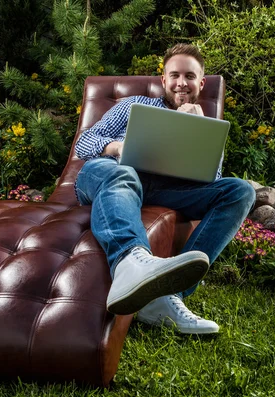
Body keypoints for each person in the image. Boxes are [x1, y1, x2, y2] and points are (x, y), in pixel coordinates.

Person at [74, 43, 255, 334]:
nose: (181, 83)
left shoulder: (207, 125)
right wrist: (121, 147)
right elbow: (85, 143)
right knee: (123, 172)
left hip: (164, 188)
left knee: (241, 191)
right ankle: (131, 261)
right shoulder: (133, 106)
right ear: (163, 80)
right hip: (107, 174)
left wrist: (195, 129)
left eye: (189, 76)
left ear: (201, 82)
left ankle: (168, 294)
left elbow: (213, 178)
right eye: (174, 75)